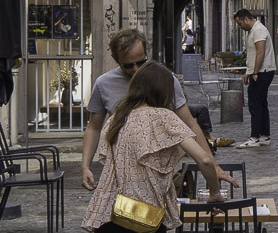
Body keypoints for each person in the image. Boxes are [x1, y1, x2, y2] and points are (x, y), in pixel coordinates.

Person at [82, 62, 236, 233]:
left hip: (106, 217)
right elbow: (203, 159)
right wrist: (214, 192)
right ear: (164, 90)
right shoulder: (163, 117)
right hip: (143, 216)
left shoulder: (117, 118)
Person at [83, 28, 207, 191]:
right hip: (121, 173)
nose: (136, 69)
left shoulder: (165, 79)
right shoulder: (104, 83)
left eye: (141, 62)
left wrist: (212, 165)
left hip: (159, 172)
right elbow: (94, 127)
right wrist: (85, 166)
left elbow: (189, 124)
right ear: (116, 59)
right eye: (128, 65)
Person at [235, 8, 272, 147]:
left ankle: (255, 137)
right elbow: (252, 54)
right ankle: (264, 135)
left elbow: (260, 52)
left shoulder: (258, 30)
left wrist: (255, 72)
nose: (239, 26)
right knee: (261, 103)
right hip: (259, 71)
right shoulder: (253, 31)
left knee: (255, 104)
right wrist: (248, 71)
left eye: (239, 23)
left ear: (246, 19)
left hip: (263, 71)